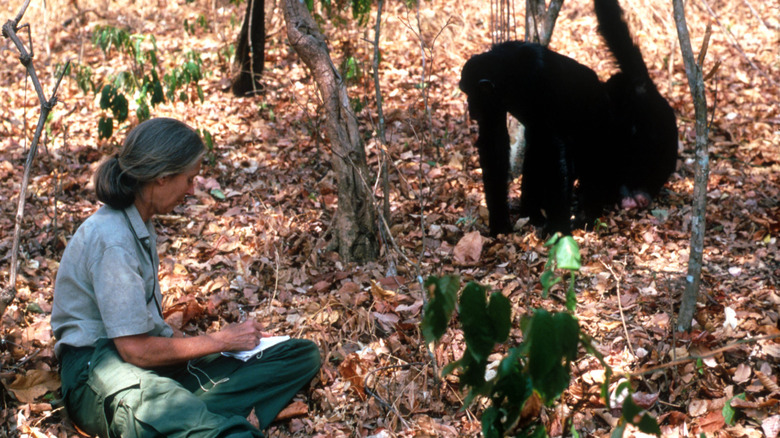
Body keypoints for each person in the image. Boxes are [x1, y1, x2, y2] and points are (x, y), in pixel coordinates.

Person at [51, 118, 320, 438]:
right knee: (227, 434)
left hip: (144, 363)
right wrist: (219, 341)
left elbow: (148, 334)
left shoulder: (139, 220)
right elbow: (134, 351)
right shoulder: (113, 239)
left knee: (299, 355)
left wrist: (224, 348)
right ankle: (194, 421)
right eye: (189, 179)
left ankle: (185, 416)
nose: (193, 189)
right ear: (163, 178)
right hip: (97, 372)